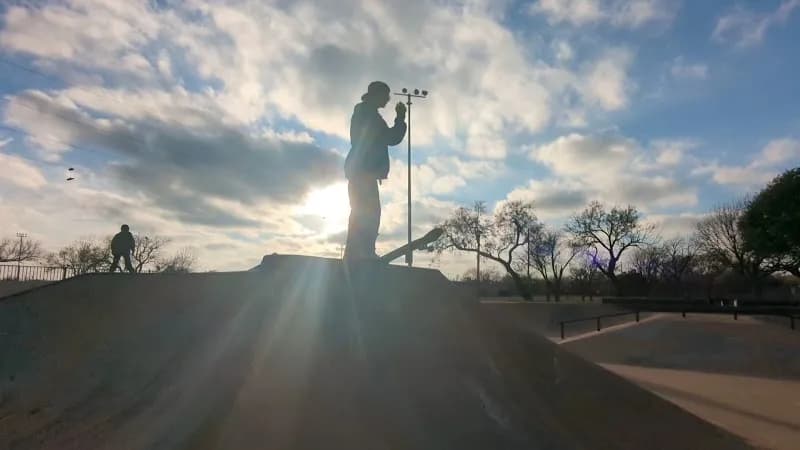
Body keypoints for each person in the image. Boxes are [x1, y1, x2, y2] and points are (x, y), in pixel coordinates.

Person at [344, 81, 407, 261]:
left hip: (362, 172)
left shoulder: (366, 113)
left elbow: (386, 137)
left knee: (364, 212)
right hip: (363, 172)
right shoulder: (367, 114)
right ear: (376, 94)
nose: (388, 99)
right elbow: (390, 138)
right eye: (385, 95)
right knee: (367, 213)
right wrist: (400, 118)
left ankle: (359, 252)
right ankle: (360, 253)